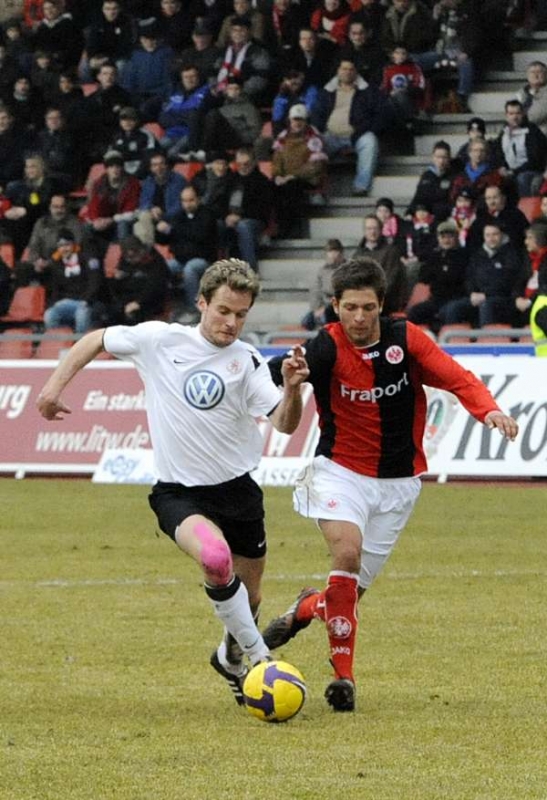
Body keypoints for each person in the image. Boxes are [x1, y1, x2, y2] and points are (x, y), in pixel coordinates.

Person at [37, 258, 310, 707]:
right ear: (201, 303)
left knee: (250, 596)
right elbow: (94, 338)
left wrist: (293, 389)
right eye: (223, 311)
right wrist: (52, 389)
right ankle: (261, 661)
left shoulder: (247, 360)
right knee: (215, 559)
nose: (231, 323)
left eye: (241, 315)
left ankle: (229, 657)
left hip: (238, 492)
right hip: (179, 494)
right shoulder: (160, 340)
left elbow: (283, 423)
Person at [263, 257, 519, 712]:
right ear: (335, 306)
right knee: (347, 554)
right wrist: (287, 384)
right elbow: (266, 382)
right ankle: (344, 679)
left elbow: (458, 379)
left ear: (382, 304)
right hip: (339, 472)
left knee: (347, 597)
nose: (359, 318)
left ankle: (306, 608)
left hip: (398, 484)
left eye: (368, 307)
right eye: (350, 308)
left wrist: (490, 410)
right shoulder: (324, 347)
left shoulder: (407, 340)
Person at [311, 58, 392, 196]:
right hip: (330, 135)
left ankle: (361, 187)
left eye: (351, 69)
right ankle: (315, 189)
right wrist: (318, 132)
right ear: (338, 71)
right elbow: (316, 114)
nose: (347, 72)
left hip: (358, 135)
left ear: (356, 72)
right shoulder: (326, 92)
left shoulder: (368, 91)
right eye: (344, 69)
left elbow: (381, 113)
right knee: (312, 145)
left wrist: (367, 130)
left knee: (370, 142)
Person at [440, 221, 525, 327]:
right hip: (478, 296)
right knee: (453, 308)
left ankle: (485, 336)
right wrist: (472, 293)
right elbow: (469, 277)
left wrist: (486, 295)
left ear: (502, 235)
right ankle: (454, 337)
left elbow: (507, 281)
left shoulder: (511, 255)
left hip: (503, 298)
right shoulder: (477, 255)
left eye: (495, 234)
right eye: (488, 235)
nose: (491, 238)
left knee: (486, 306)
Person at [42, 229, 105, 334]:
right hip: (65, 302)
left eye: (67, 245)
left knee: (81, 314)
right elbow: (54, 288)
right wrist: (53, 303)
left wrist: (87, 300)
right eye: (61, 246)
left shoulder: (86, 258)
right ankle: (60, 342)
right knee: (49, 315)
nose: (64, 249)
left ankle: (80, 342)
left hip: (87, 302)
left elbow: (95, 282)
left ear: (74, 245)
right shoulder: (56, 264)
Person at [493, 99, 547, 198]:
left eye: (518, 113)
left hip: (530, 172)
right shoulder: (504, 132)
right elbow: (498, 154)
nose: (515, 117)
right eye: (511, 114)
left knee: (522, 178)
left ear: (523, 114)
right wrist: (502, 167)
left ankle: (525, 206)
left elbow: (534, 161)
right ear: (506, 115)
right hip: (510, 172)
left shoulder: (532, 131)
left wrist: (514, 172)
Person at [301, 237, 345, 330]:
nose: (332, 255)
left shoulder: (347, 269)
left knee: (327, 317)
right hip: (324, 305)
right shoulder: (322, 271)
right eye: (330, 251)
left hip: (339, 306)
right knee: (306, 321)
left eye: (335, 251)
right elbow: (315, 291)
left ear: (341, 253)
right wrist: (317, 308)